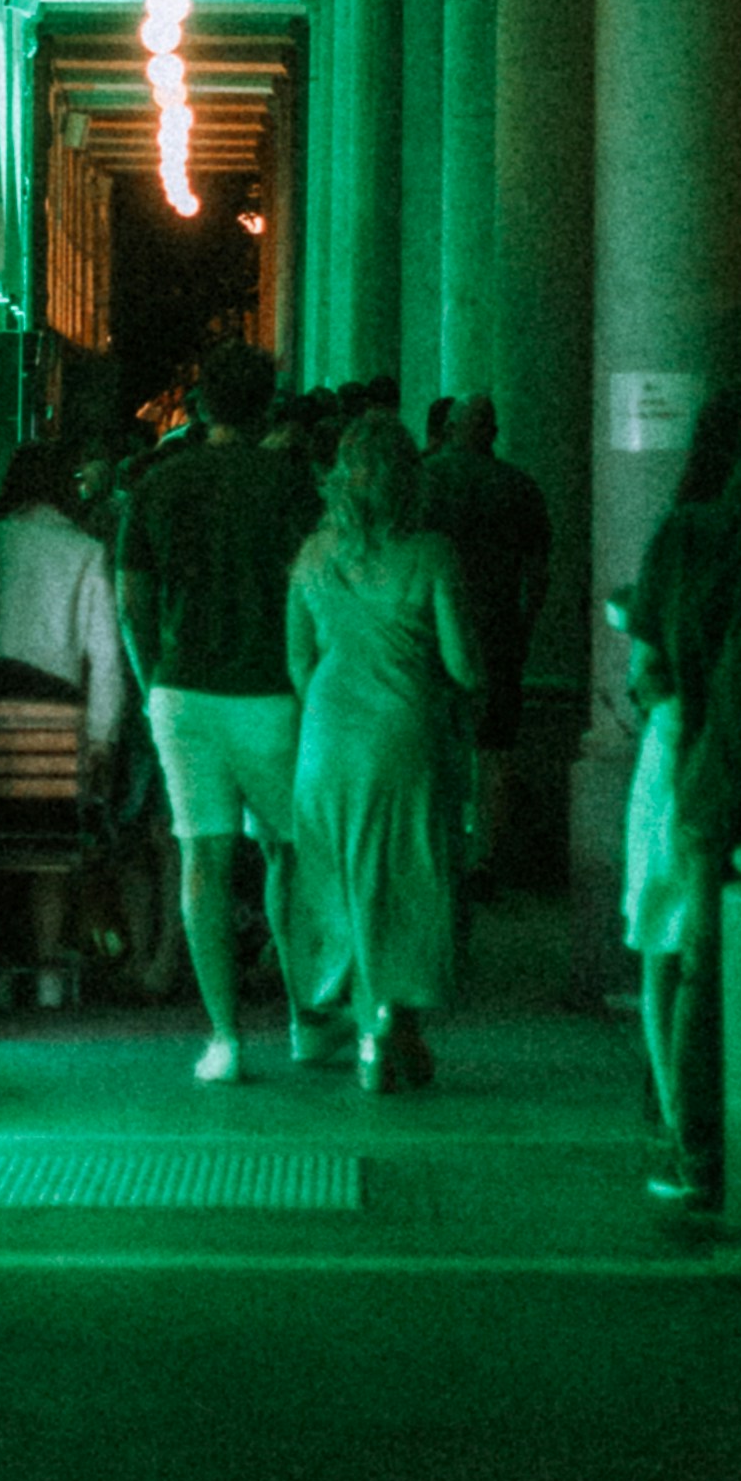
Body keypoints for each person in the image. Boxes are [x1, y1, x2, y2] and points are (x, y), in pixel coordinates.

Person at [112, 329, 326, 1083]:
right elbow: (314, 587)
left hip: (182, 690)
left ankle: (225, 1038)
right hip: (272, 689)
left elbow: (132, 600)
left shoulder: (157, 484)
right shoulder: (289, 484)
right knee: (290, 854)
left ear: (200, 403)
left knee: (202, 857)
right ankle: (305, 1017)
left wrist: (149, 684)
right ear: (267, 404)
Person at [286, 409, 482, 1093]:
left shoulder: (313, 555)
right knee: (400, 880)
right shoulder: (431, 554)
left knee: (344, 881)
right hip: (402, 734)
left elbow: (298, 662)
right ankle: (385, 1029)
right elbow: (464, 666)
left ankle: (378, 1027)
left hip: (326, 736)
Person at [620, 396, 741, 1210]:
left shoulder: (683, 532)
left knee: (674, 947)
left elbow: (646, 667)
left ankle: (686, 1129)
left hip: (681, 750)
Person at [419, 393, 550, 881]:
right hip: (496, 632)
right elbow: (537, 573)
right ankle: (486, 857)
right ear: (492, 431)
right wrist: (524, 627)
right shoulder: (519, 488)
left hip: (430, 634)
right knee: (495, 746)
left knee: (435, 741)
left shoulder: (424, 480)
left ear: (450, 427)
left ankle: (441, 846)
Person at [0, 441, 129, 782]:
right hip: (55, 716)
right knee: (47, 825)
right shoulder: (87, 552)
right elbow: (106, 656)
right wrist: (102, 735)